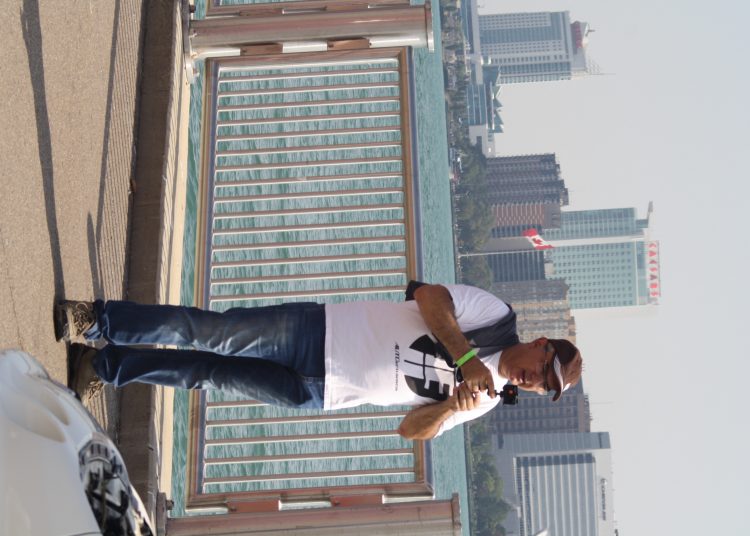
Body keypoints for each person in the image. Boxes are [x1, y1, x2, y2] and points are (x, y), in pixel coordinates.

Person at [56, 283, 582, 440]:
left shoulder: (485, 401)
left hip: (322, 392)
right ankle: (97, 320)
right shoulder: (495, 316)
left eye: (542, 387)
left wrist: (449, 408)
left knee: (206, 374)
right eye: (543, 369)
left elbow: (409, 430)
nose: (533, 381)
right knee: (209, 331)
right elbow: (430, 298)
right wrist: (465, 355)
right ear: (540, 343)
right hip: (319, 332)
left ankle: (101, 368)